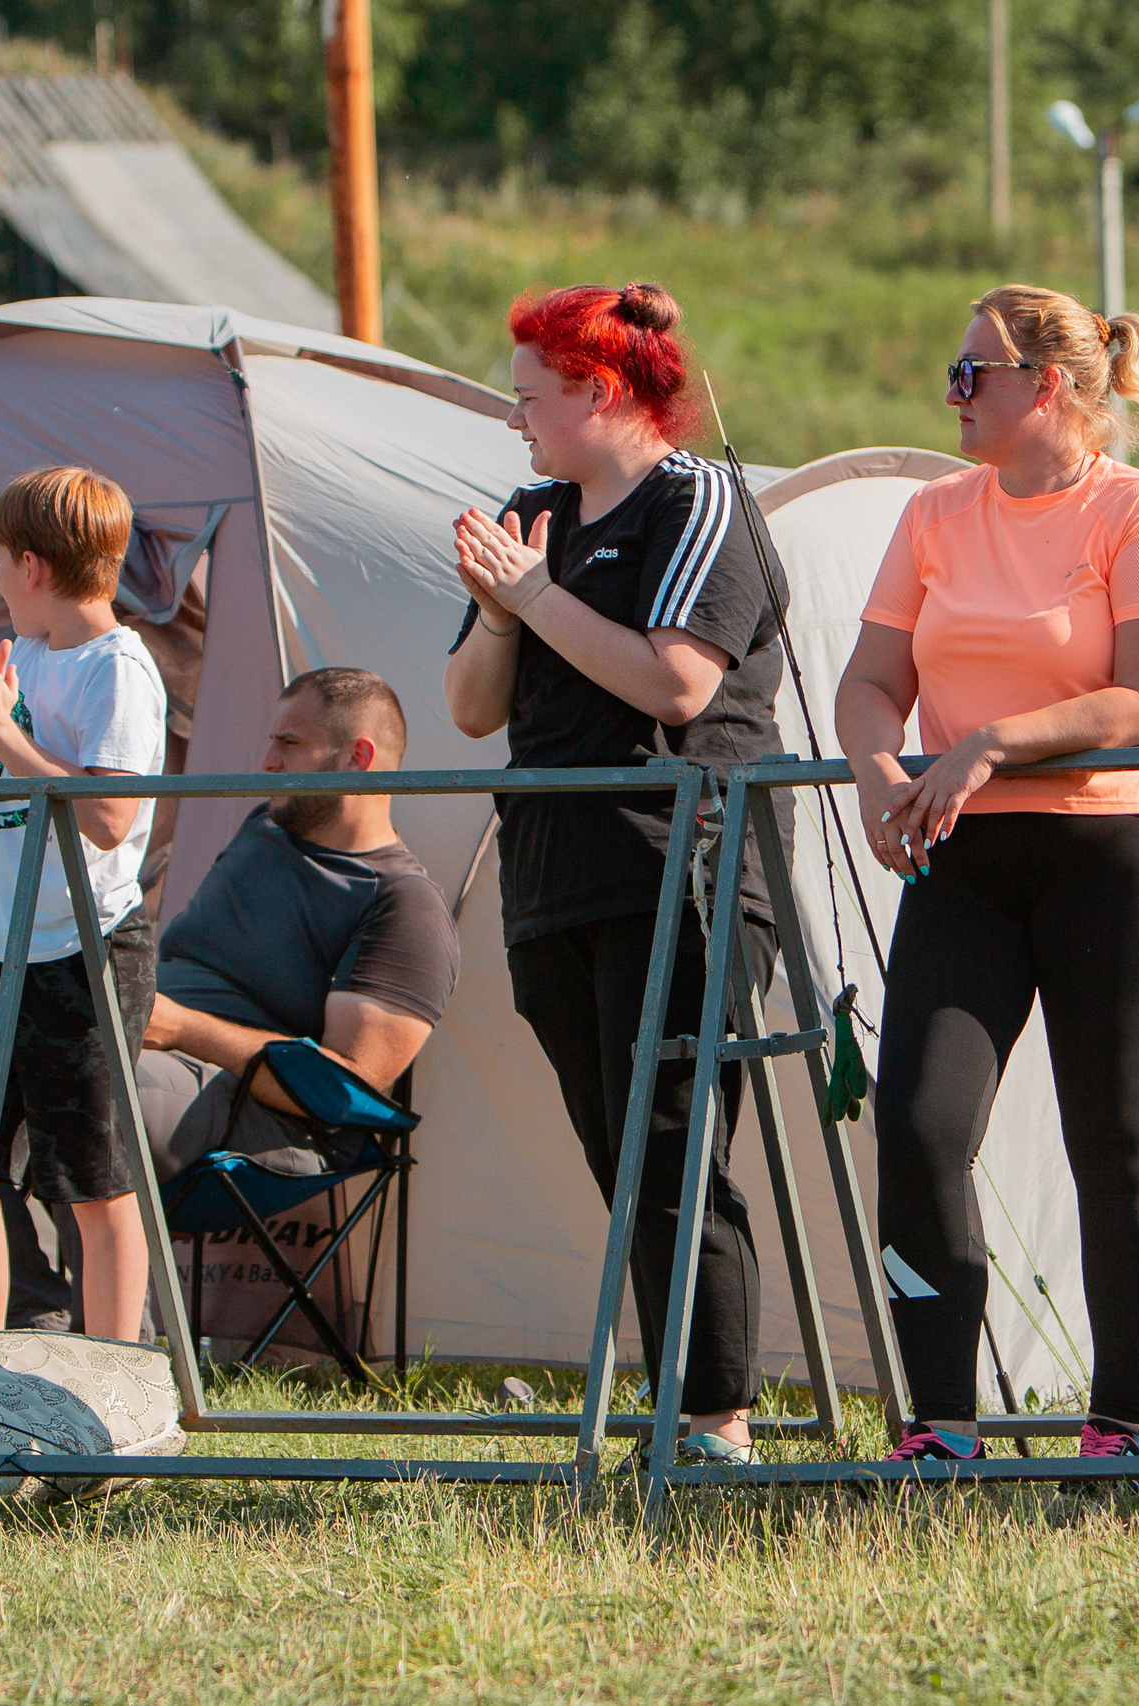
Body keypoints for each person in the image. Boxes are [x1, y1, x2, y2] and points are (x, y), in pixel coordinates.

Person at [835, 286, 1139, 1467]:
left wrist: (986, 741)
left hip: (1111, 845)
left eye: (969, 374)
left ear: (1042, 385)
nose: (950, 393)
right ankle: (941, 1424)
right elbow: (866, 682)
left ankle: (1117, 1428)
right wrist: (877, 770)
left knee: (1113, 1136)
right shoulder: (937, 512)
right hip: (964, 852)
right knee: (917, 1124)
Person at [442, 281, 795, 1468]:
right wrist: (501, 612)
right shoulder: (531, 510)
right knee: (614, 1145)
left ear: (598, 391)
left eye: (528, 399)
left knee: (671, 1136)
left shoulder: (697, 500)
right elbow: (467, 707)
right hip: (552, 870)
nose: (516, 423)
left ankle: (714, 1419)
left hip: (678, 865)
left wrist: (534, 594)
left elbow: (678, 684)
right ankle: (680, 1402)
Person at [0, 667, 460, 1327]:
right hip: (138, 1054)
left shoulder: (403, 905)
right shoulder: (263, 831)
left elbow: (346, 1091)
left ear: (359, 758)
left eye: (289, 744)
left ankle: (119, 1354)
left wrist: (179, 1028)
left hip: (256, 1114)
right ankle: (38, 1318)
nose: (265, 761)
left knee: (75, 1080)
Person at [0, 465, 168, 1341]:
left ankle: (113, 1384)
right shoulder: (21, 654)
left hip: (84, 947)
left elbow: (108, 818)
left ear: (30, 566)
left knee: (94, 1184)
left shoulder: (120, 671)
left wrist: (6, 737)